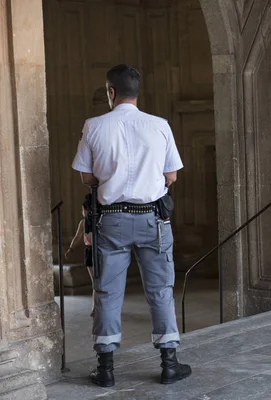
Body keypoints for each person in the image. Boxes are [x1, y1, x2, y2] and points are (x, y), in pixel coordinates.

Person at [71, 64, 191, 387]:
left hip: (112, 221)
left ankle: (106, 368)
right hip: (153, 219)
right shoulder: (160, 126)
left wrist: (112, 177)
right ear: (137, 92)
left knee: (107, 291)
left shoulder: (93, 126)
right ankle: (169, 363)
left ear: (111, 92)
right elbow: (172, 175)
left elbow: (85, 176)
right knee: (160, 289)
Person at [65, 194, 96, 317]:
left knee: (99, 281)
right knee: (95, 282)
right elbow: (77, 237)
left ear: (87, 209)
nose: (81, 212)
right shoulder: (83, 223)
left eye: (83, 209)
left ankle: (97, 307)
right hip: (89, 251)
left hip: (99, 251)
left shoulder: (97, 221)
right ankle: (95, 307)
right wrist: (70, 248)